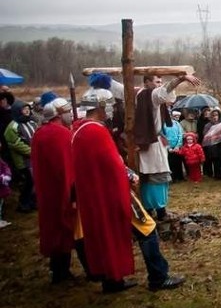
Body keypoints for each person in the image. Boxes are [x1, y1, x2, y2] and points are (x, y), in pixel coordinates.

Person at [72, 85, 184, 293]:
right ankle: (158, 277)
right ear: (100, 107)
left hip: (95, 197)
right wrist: (129, 177)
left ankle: (112, 281)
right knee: (147, 229)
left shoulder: (78, 130)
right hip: (113, 194)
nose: (110, 111)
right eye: (108, 107)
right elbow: (113, 164)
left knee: (107, 235)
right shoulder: (96, 132)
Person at [30, 95, 89, 283]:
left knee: (57, 230)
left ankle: (59, 271)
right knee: (73, 229)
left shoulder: (40, 133)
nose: (70, 116)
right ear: (58, 114)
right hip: (62, 191)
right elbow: (67, 168)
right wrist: (74, 194)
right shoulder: (60, 134)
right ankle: (89, 270)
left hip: (47, 191)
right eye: (66, 112)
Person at [133, 73, 200, 219]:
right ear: (147, 83)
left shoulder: (145, 94)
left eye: (160, 81)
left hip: (155, 140)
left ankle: (157, 209)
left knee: (157, 175)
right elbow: (165, 90)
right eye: (156, 81)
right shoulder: (148, 95)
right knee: (153, 176)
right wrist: (180, 79)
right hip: (150, 143)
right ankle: (155, 210)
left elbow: (167, 93)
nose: (159, 84)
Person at [4, 100, 37, 212]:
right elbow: (16, 144)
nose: (27, 111)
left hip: (34, 159)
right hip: (23, 161)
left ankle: (32, 202)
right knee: (28, 182)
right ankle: (23, 203)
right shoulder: (12, 127)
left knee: (35, 181)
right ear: (18, 111)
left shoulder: (32, 122)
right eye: (24, 109)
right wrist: (33, 152)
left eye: (28, 108)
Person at [163, 110, 185, 181]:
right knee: (170, 162)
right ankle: (173, 178)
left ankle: (180, 177)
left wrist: (177, 146)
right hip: (168, 147)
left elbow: (180, 135)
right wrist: (168, 147)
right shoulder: (163, 125)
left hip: (177, 147)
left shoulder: (177, 124)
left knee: (178, 162)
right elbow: (163, 136)